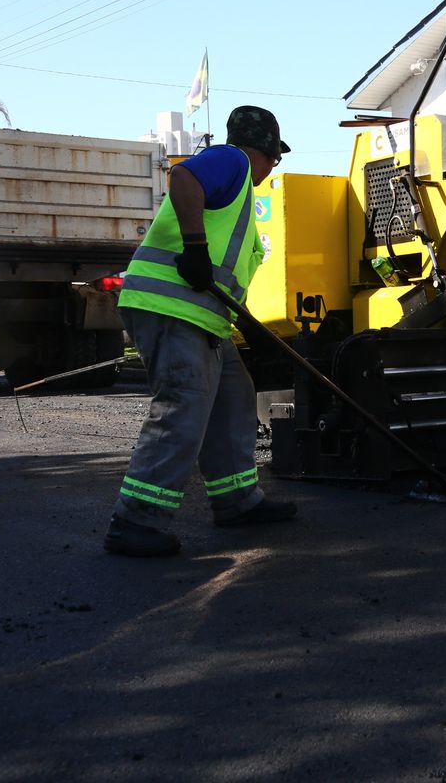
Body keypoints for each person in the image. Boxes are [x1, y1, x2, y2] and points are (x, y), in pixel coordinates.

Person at [104, 106, 298, 557]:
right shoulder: (232, 160)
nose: (273, 168)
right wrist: (193, 246)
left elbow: (227, 277)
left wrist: (249, 326)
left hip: (203, 319)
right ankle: (135, 521)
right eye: (276, 157)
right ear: (266, 151)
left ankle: (236, 501)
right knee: (182, 406)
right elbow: (184, 177)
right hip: (170, 308)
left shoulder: (241, 204)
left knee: (233, 399)